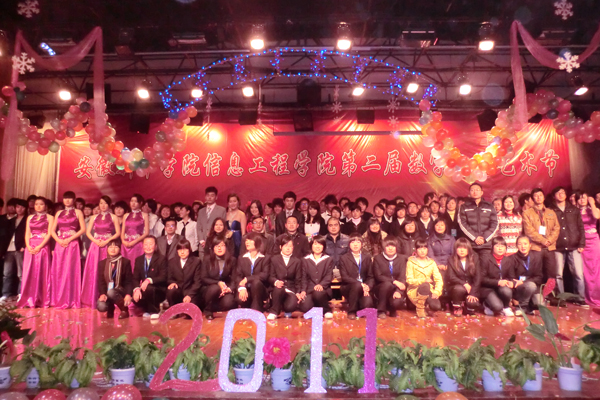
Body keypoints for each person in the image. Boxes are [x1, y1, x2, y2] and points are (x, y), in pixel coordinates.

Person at [81, 196, 121, 308]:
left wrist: (107, 241)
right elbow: (88, 232)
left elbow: (117, 233)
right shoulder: (93, 217)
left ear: (109, 205)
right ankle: (92, 297)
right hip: (96, 246)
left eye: (105, 203)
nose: (103, 205)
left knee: (107, 271)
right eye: (101, 203)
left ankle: (108, 297)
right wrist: (95, 241)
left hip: (107, 246)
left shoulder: (113, 217)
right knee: (94, 270)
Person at [50, 191, 86, 309]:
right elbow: (52, 230)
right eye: (65, 198)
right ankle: (58, 298)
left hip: (72, 243)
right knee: (59, 270)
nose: (67, 200)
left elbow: (83, 229)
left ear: (74, 200)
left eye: (70, 198)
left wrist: (69, 239)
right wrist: (59, 241)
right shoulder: (58, 213)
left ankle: (71, 298)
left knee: (70, 270)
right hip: (60, 243)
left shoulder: (78, 212)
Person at [550, 187, 586, 302]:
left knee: (578, 274)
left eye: (563, 192)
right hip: (557, 246)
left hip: (574, 245)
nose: (561, 195)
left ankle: (580, 298)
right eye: (558, 193)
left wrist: (581, 243)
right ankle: (561, 298)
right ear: (554, 196)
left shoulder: (574, 209)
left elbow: (581, 227)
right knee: (558, 274)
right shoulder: (550, 210)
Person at [18, 197, 54, 308]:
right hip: (30, 246)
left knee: (41, 271)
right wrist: (28, 246)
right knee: (29, 271)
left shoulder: (50, 217)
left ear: (45, 206)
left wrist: (40, 246)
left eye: (41, 204)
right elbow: (27, 233)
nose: (38, 206)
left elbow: (49, 233)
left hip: (43, 246)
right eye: (36, 204)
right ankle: (28, 298)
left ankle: (41, 298)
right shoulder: (30, 217)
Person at [522, 188, 559, 289]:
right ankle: (537, 294)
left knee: (551, 274)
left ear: (544, 197)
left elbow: (556, 228)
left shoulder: (551, 212)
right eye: (536, 196)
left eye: (540, 195)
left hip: (549, 247)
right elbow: (529, 231)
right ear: (532, 198)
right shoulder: (527, 213)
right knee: (536, 273)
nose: (538, 197)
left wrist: (549, 240)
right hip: (536, 248)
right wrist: (542, 240)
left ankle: (551, 294)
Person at [267, 235, 305, 320]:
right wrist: (276, 282)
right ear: (281, 247)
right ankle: (274, 312)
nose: (288, 248)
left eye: (290, 246)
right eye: (285, 246)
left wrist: (298, 292)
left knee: (290, 306)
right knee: (279, 289)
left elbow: (298, 279)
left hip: (290, 290)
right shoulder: (274, 259)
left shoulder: (297, 261)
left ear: (293, 248)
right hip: (277, 289)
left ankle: (282, 306)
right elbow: (270, 276)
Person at [504, 236, 544, 315]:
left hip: (532, 286)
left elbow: (539, 277)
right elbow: (511, 278)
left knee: (539, 303)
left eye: (525, 244)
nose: (523, 246)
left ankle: (528, 308)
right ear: (516, 246)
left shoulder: (536, 257)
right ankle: (521, 308)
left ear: (530, 245)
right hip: (517, 287)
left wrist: (524, 281)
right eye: (520, 244)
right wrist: (518, 283)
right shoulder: (511, 259)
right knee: (530, 285)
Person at [200, 237, 237, 319]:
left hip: (225, 288)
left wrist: (229, 288)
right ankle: (208, 310)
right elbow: (203, 278)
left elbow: (234, 278)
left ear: (226, 247)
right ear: (213, 248)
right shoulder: (207, 259)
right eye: (217, 246)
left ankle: (215, 307)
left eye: (222, 245)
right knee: (215, 288)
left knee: (229, 302)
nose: (219, 248)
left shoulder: (232, 260)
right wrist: (218, 283)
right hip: (209, 287)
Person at [339, 233, 374, 319]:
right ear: (349, 244)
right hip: (349, 287)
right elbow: (344, 277)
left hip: (364, 287)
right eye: (353, 242)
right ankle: (352, 311)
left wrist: (368, 287)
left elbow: (370, 276)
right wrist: (360, 284)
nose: (355, 244)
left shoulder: (367, 257)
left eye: (358, 242)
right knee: (357, 285)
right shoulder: (344, 258)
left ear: (362, 244)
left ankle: (359, 307)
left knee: (367, 304)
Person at [406, 239, 443, 318]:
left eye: (424, 248)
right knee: (425, 285)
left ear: (427, 250)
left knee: (436, 306)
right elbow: (409, 280)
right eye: (420, 248)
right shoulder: (411, 262)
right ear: (416, 250)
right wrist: (423, 280)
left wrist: (437, 292)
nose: (422, 251)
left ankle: (426, 306)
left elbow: (438, 279)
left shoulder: (432, 262)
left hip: (429, 289)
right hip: (415, 290)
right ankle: (420, 308)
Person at [458, 183, 498, 256]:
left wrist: (484, 238)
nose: (475, 192)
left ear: (482, 192)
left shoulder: (489, 206)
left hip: (486, 245)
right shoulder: (464, 207)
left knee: (485, 263)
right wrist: (474, 238)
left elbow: (494, 224)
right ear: (469, 193)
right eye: (472, 190)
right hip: (470, 244)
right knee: (472, 263)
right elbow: (462, 224)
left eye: (477, 190)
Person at [97, 238, 133, 319]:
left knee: (111, 292)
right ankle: (110, 307)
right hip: (108, 291)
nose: (113, 249)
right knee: (101, 306)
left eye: (116, 247)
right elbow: (101, 282)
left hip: (120, 290)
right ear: (107, 249)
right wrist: (102, 294)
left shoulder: (125, 262)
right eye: (110, 247)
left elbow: (129, 281)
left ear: (120, 249)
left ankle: (124, 310)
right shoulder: (102, 263)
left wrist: (128, 294)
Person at [372, 237, 408, 319]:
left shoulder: (402, 259)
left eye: (393, 246)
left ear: (396, 247)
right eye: (388, 246)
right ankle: (381, 310)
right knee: (387, 284)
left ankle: (391, 307)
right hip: (381, 288)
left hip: (396, 288)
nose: (390, 248)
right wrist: (394, 281)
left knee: (396, 303)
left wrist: (399, 291)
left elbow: (402, 277)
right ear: (384, 247)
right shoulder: (378, 258)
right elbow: (378, 276)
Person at [575, 191, 600, 306]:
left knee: (596, 269)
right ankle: (586, 297)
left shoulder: (594, 209)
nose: (582, 200)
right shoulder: (575, 212)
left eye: (584, 197)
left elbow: (597, 216)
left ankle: (597, 296)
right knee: (585, 271)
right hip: (582, 242)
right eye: (580, 198)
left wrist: (592, 204)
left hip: (594, 241)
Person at [479, 237, 515, 317]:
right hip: (488, 288)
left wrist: (511, 282)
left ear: (505, 248)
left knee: (506, 291)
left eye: (502, 246)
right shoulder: (485, 259)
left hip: (502, 288)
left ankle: (506, 307)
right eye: (497, 246)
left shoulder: (508, 260)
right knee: (497, 307)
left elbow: (511, 276)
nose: (500, 248)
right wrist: (497, 282)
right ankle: (486, 304)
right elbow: (481, 279)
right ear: (492, 247)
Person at [133, 236, 168, 317]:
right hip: (144, 289)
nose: (148, 247)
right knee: (135, 296)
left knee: (149, 288)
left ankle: (154, 311)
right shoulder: (139, 260)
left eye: (151, 244)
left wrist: (149, 280)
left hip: (158, 289)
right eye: (146, 244)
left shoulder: (161, 258)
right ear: (142, 246)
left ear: (155, 246)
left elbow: (163, 277)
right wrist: (136, 289)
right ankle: (146, 309)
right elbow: (135, 278)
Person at [445, 238, 481, 316]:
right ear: (456, 249)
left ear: (468, 249)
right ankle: (457, 307)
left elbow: (478, 277)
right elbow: (451, 276)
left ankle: (467, 306)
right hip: (457, 287)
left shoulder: (475, 258)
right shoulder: (451, 259)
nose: (462, 250)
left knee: (473, 304)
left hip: (471, 287)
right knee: (459, 289)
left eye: (464, 248)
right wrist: (464, 283)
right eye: (459, 248)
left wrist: (473, 292)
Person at [301, 235, 334, 318]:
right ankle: (318, 309)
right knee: (305, 306)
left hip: (323, 290)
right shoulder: (305, 260)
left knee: (318, 293)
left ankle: (326, 310)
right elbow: (304, 277)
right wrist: (303, 290)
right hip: (310, 290)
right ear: (311, 245)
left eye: (320, 244)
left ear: (324, 246)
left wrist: (321, 285)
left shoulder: (328, 259)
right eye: (315, 244)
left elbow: (328, 276)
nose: (317, 246)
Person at [1, 199, 27, 302]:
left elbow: (28, 234)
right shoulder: (11, 220)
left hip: (20, 248)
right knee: (7, 273)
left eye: (22, 207)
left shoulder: (27, 219)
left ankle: (20, 293)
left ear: (25, 208)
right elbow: (5, 236)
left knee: (20, 273)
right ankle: (6, 294)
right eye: (17, 207)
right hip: (9, 249)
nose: (19, 209)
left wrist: (24, 246)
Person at [236, 232, 269, 312]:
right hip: (246, 288)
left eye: (250, 240)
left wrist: (247, 279)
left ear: (257, 242)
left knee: (256, 282)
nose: (247, 242)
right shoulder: (241, 258)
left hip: (260, 289)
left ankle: (256, 310)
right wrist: (242, 288)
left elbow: (265, 275)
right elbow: (238, 275)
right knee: (240, 299)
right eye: (246, 240)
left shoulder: (265, 258)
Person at [166, 240, 202, 312]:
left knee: (189, 312)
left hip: (191, 292)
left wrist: (189, 295)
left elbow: (197, 282)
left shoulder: (196, 261)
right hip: (178, 291)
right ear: (177, 251)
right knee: (171, 291)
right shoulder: (172, 261)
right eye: (180, 250)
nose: (182, 252)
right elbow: (169, 278)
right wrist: (172, 283)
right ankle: (174, 311)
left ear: (189, 250)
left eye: (185, 249)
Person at [120, 194, 150, 268]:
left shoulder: (144, 215)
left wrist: (134, 242)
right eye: (131, 201)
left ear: (140, 203)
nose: (133, 203)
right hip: (126, 244)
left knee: (136, 264)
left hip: (137, 244)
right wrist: (123, 241)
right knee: (125, 265)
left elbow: (146, 232)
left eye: (135, 201)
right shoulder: (126, 215)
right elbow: (122, 231)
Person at [196, 186, 227, 251]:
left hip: (216, 245)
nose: (209, 197)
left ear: (216, 197)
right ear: (205, 197)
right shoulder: (201, 211)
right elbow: (198, 227)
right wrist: (201, 241)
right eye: (208, 195)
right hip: (202, 246)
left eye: (212, 195)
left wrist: (216, 240)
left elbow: (223, 227)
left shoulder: (222, 210)